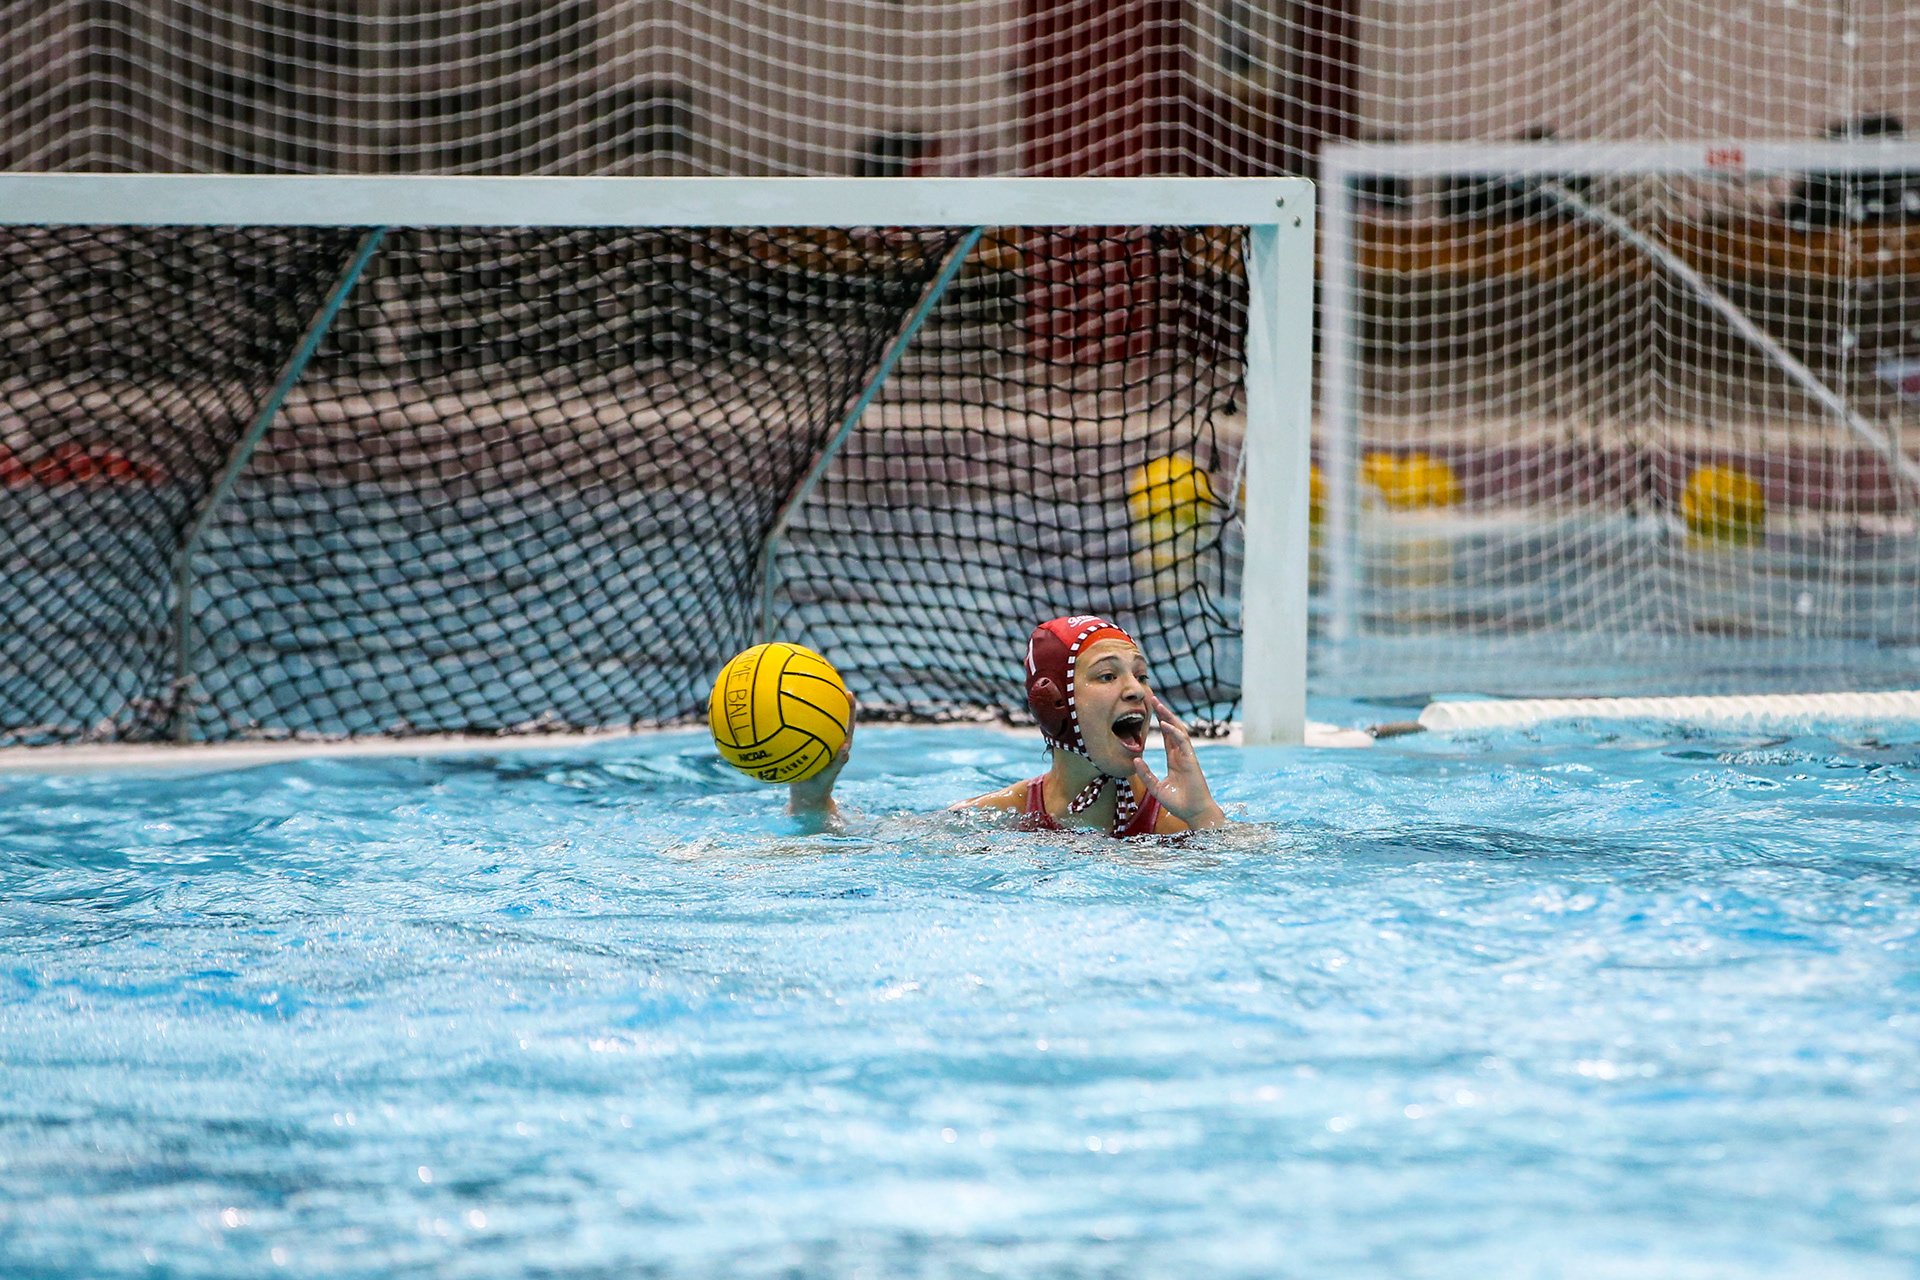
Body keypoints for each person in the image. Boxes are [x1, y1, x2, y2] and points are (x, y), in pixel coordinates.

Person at [787, 615, 1228, 836]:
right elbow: (864, 847)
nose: (1136, 691)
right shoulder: (1002, 817)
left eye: (1141, 675)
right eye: (1108, 675)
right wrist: (811, 798)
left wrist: (1204, 815)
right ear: (1054, 704)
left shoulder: (1175, 820)